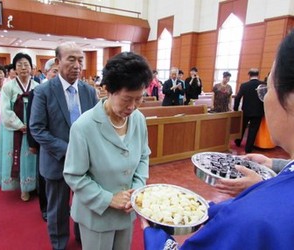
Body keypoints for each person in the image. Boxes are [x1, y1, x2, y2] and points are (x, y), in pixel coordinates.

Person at [142, 30, 294, 249]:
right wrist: (266, 180)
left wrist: (153, 235)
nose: (265, 99)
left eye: (267, 88)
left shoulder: (254, 219)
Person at [63, 51, 152, 250]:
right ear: (108, 90)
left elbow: (144, 156)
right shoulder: (84, 127)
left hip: (127, 210)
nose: (132, 106)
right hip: (97, 214)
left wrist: (137, 188)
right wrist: (109, 199)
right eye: (127, 99)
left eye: (139, 99)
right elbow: (74, 175)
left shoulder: (138, 119)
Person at [30, 42, 98, 250]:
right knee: (58, 208)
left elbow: (96, 124)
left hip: (86, 163)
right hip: (56, 160)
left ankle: (81, 237)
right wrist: (69, 150)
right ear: (58, 62)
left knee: (84, 204)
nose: (77, 65)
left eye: (80, 60)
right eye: (71, 59)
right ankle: (59, 244)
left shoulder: (89, 91)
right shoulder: (43, 91)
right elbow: (37, 128)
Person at [0, 53, 38, 202]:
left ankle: (34, 183)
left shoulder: (37, 86)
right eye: (19, 65)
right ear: (14, 69)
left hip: (32, 127)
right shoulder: (8, 87)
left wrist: (34, 126)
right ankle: (23, 188)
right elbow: (5, 110)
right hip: (14, 129)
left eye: (26, 64)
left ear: (32, 68)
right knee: (18, 155)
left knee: (33, 155)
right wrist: (20, 126)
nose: (23, 68)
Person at [26, 57, 58, 222]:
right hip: (43, 143)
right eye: (54, 71)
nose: (57, 74)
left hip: (59, 142)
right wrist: (32, 143)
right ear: (46, 73)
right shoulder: (38, 91)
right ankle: (45, 208)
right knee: (43, 178)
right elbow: (31, 120)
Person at [234, 68, 264, 153]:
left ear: (249, 75)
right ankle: (248, 148)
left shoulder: (244, 85)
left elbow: (237, 97)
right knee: (253, 130)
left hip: (246, 111)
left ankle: (238, 142)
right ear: (258, 75)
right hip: (258, 111)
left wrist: (236, 109)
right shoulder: (262, 85)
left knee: (242, 127)